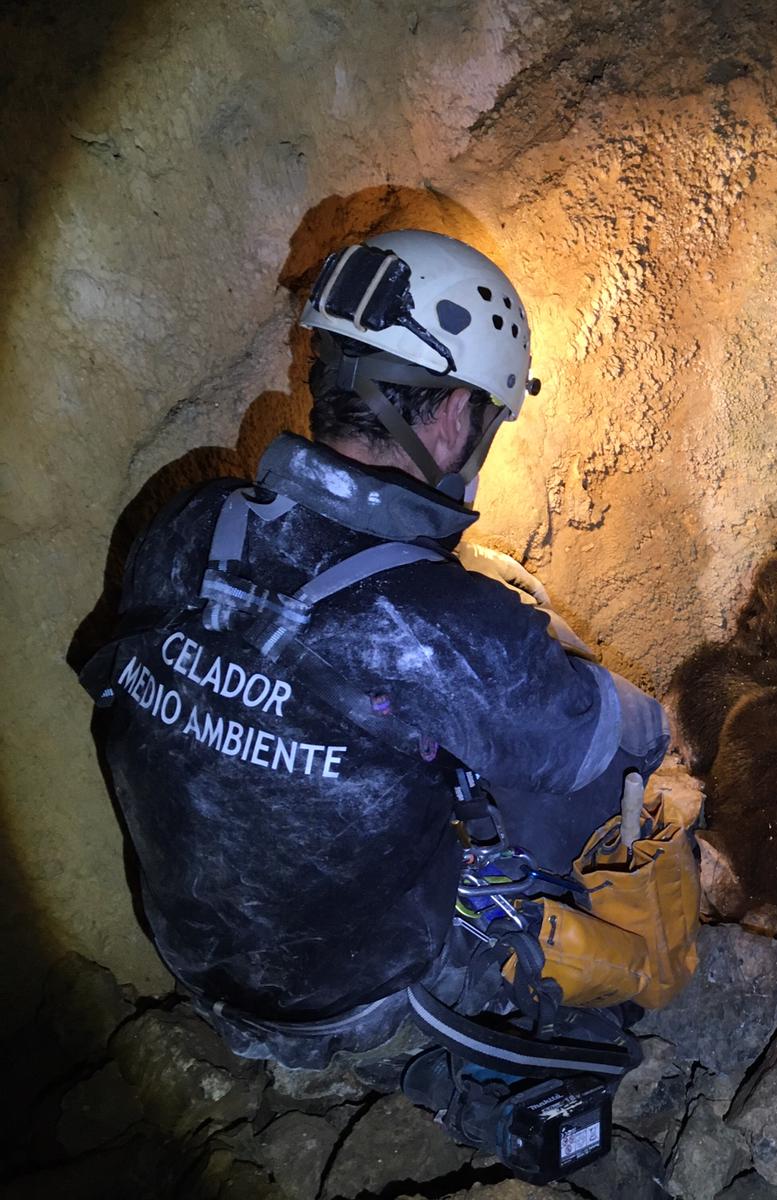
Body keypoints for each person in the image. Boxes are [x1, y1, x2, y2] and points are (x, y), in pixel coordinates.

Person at [80, 230, 678, 1075]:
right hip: (348, 1002)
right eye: (486, 415)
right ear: (448, 411)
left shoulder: (190, 522)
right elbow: (620, 739)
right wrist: (599, 689)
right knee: (599, 789)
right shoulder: (445, 624)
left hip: (193, 953)